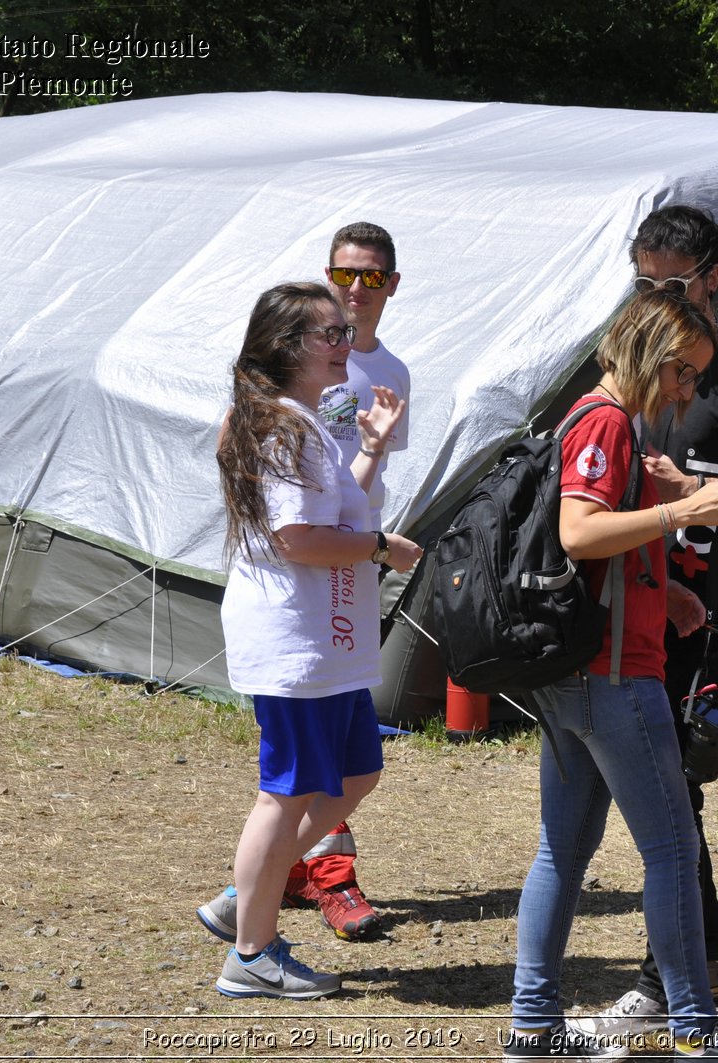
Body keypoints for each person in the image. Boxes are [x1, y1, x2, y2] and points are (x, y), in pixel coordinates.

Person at [504, 289, 718, 1062]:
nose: (689, 392)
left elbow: (592, 543)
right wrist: (683, 513)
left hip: (580, 674)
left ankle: (533, 1029)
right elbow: (579, 530)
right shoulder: (605, 419)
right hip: (613, 678)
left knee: (561, 852)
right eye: (687, 374)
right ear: (657, 360)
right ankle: (699, 1032)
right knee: (671, 849)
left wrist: (661, 588)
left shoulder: (600, 419)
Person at [570, 205, 718, 1042]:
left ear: (714, 278)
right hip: (637, 608)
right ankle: (697, 965)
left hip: (706, 624)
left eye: (672, 283)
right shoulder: (630, 365)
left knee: (674, 799)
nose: (655, 296)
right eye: (643, 282)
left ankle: (665, 979)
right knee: (664, 799)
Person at [206, 281, 420, 999]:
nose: (346, 338)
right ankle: (253, 951)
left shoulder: (298, 421)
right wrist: (380, 546)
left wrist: (371, 450)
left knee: (356, 772)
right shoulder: (282, 427)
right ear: (287, 347)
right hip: (296, 643)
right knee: (287, 793)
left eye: (343, 329)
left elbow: (329, 511)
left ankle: (250, 891)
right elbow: (298, 539)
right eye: (329, 333)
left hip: (325, 640)